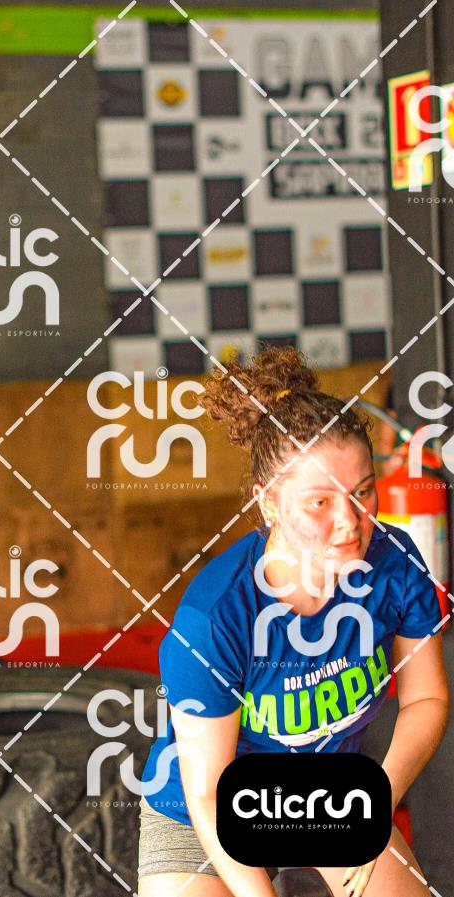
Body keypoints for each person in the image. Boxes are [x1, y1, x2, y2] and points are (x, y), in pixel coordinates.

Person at [137, 347, 450, 897]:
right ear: (270, 503)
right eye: (319, 502)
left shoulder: (394, 564)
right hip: (200, 811)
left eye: (362, 492)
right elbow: (208, 794)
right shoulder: (214, 618)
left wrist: (376, 802)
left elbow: (426, 698)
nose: (349, 522)